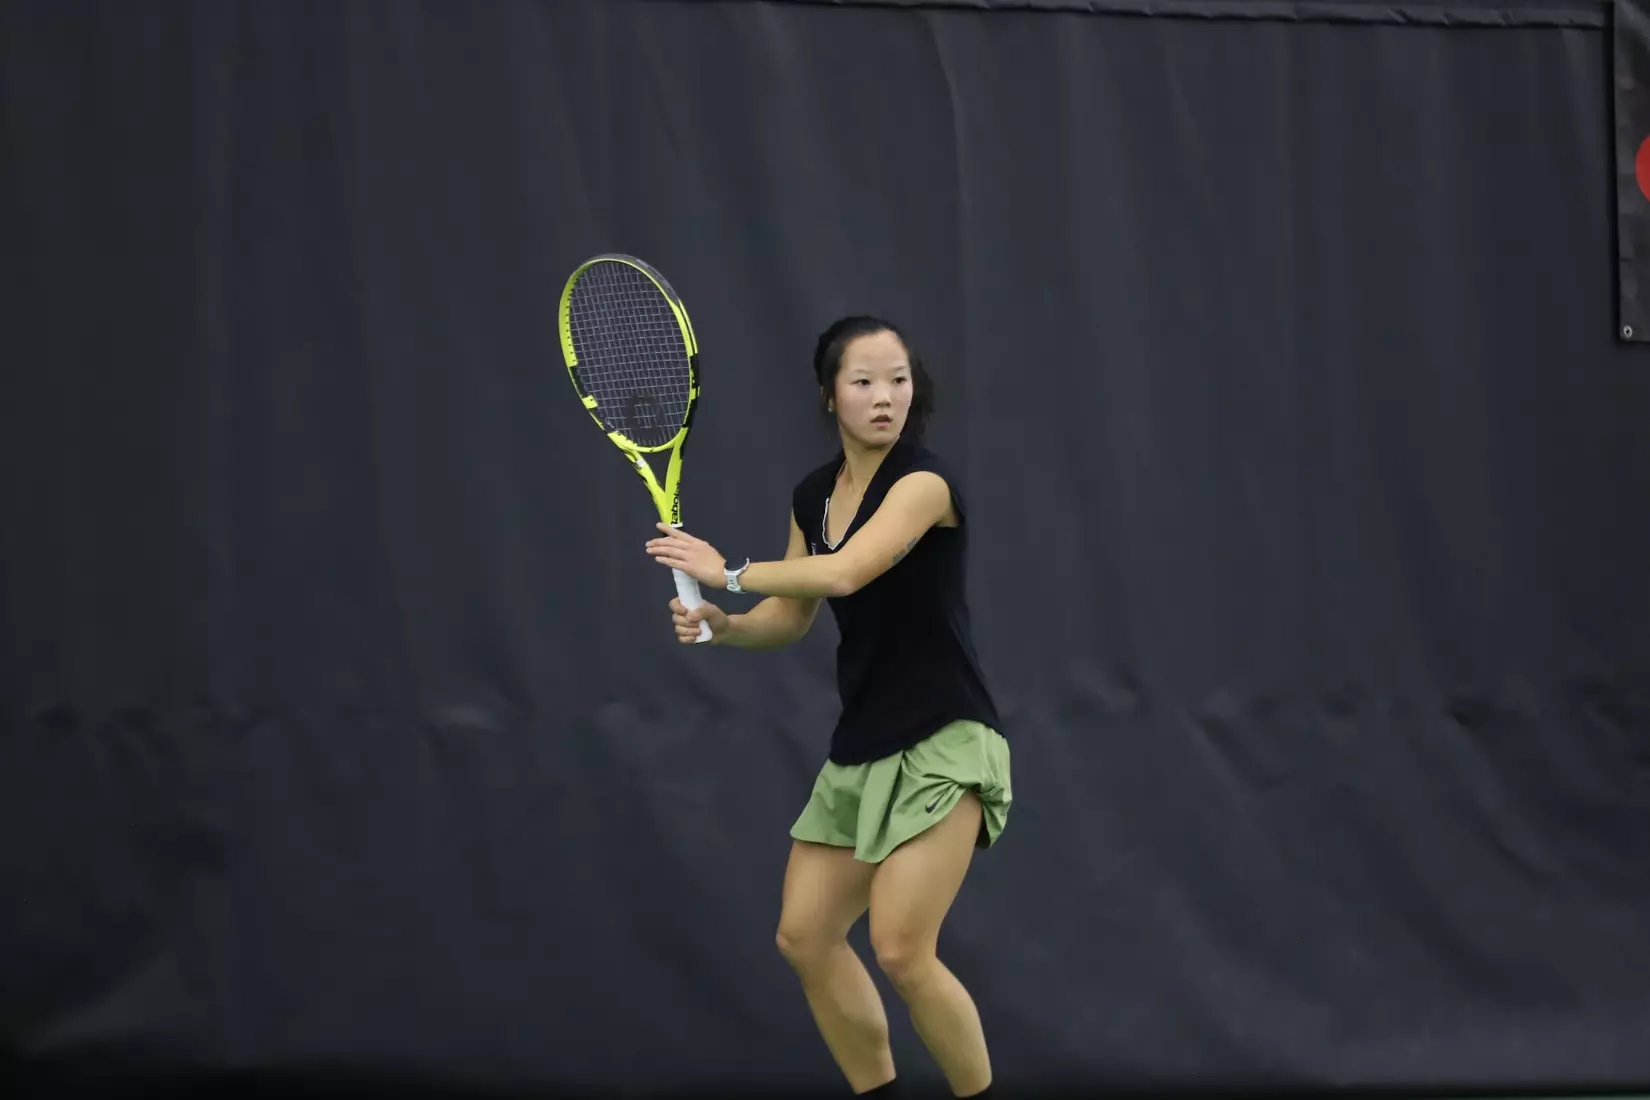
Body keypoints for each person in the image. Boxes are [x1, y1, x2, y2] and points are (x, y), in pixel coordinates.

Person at [644, 315, 1011, 1098]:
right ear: (829, 396)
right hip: (864, 743)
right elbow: (790, 616)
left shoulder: (925, 485)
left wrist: (728, 571)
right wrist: (725, 624)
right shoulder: (813, 496)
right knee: (805, 937)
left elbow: (846, 574)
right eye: (864, 382)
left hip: (948, 734)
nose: (886, 398)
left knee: (904, 951)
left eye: (900, 380)